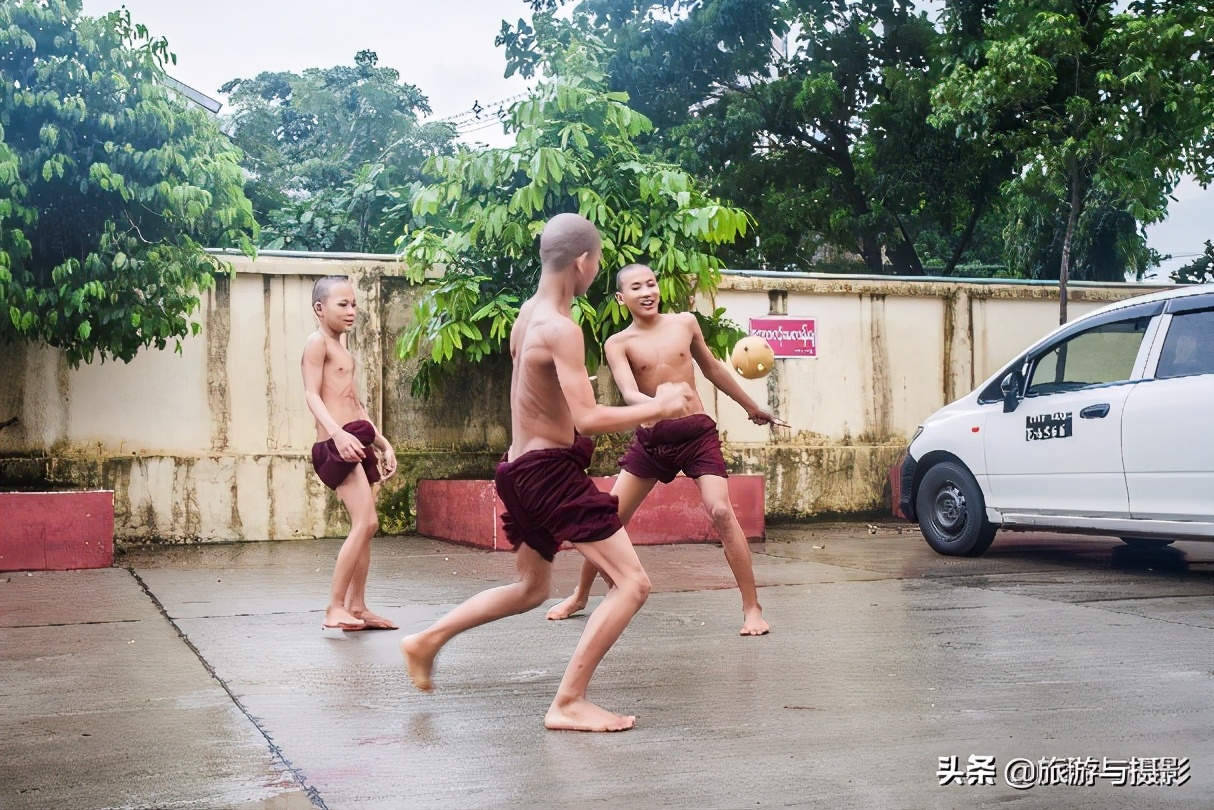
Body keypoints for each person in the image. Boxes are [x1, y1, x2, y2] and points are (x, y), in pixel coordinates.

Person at [400, 214, 694, 732]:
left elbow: (551, 406)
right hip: (547, 473)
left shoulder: (526, 316)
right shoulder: (561, 328)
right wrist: (660, 407)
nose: (596, 271)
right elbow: (588, 418)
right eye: (598, 262)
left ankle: (426, 641)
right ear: (583, 261)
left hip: (519, 469)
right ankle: (568, 702)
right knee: (632, 583)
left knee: (530, 588)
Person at [545, 263, 775, 636]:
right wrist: (659, 403)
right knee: (608, 518)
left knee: (720, 510)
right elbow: (629, 392)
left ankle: (752, 608)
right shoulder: (618, 343)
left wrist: (752, 407)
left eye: (651, 284)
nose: (647, 291)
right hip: (652, 441)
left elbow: (713, 368)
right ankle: (580, 594)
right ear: (622, 298)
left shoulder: (685, 323)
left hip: (697, 435)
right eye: (637, 287)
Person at [302, 275, 399, 632]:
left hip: (355, 439)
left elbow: (354, 405)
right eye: (342, 304)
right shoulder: (317, 344)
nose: (351, 310)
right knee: (366, 522)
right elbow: (312, 395)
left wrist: (382, 443)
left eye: (354, 304)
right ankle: (334, 608)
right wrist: (336, 433)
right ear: (319, 308)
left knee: (367, 525)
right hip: (334, 446)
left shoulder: (344, 351)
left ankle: (357, 607)